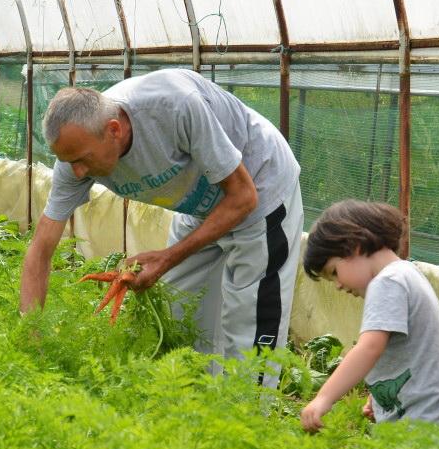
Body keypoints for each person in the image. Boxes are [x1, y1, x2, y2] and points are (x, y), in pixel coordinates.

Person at [20, 69, 302, 379]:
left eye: (82, 160)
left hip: (260, 187)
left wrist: (167, 258)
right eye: (68, 161)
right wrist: (30, 337)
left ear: (113, 130)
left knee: (247, 324)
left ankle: (250, 417)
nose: (77, 172)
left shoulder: (175, 106)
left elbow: (243, 197)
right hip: (199, 207)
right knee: (177, 316)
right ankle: (192, 408)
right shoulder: (76, 161)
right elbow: (41, 249)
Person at [297, 200, 439, 437]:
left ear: (353, 245)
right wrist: (379, 397)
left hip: (424, 424)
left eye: (334, 271)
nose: (337, 285)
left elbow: (369, 348)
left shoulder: (387, 282)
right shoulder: (405, 274)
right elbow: (411, 355)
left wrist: (324, 398)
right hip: (434, 418)